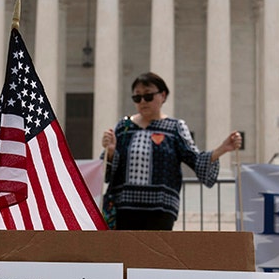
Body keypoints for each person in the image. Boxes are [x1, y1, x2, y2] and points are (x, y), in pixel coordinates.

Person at [101, 72, 243, 230]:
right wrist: (111, 151)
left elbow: (195, 159)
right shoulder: (124, 127)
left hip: (160, 210)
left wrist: (223, 149)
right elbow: (106, 171)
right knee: (124, 254)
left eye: (148, 96)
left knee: (156, 254)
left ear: (163, 95)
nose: (142, 102)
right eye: (137, 97)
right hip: (123, 209)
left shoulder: (175, 127)